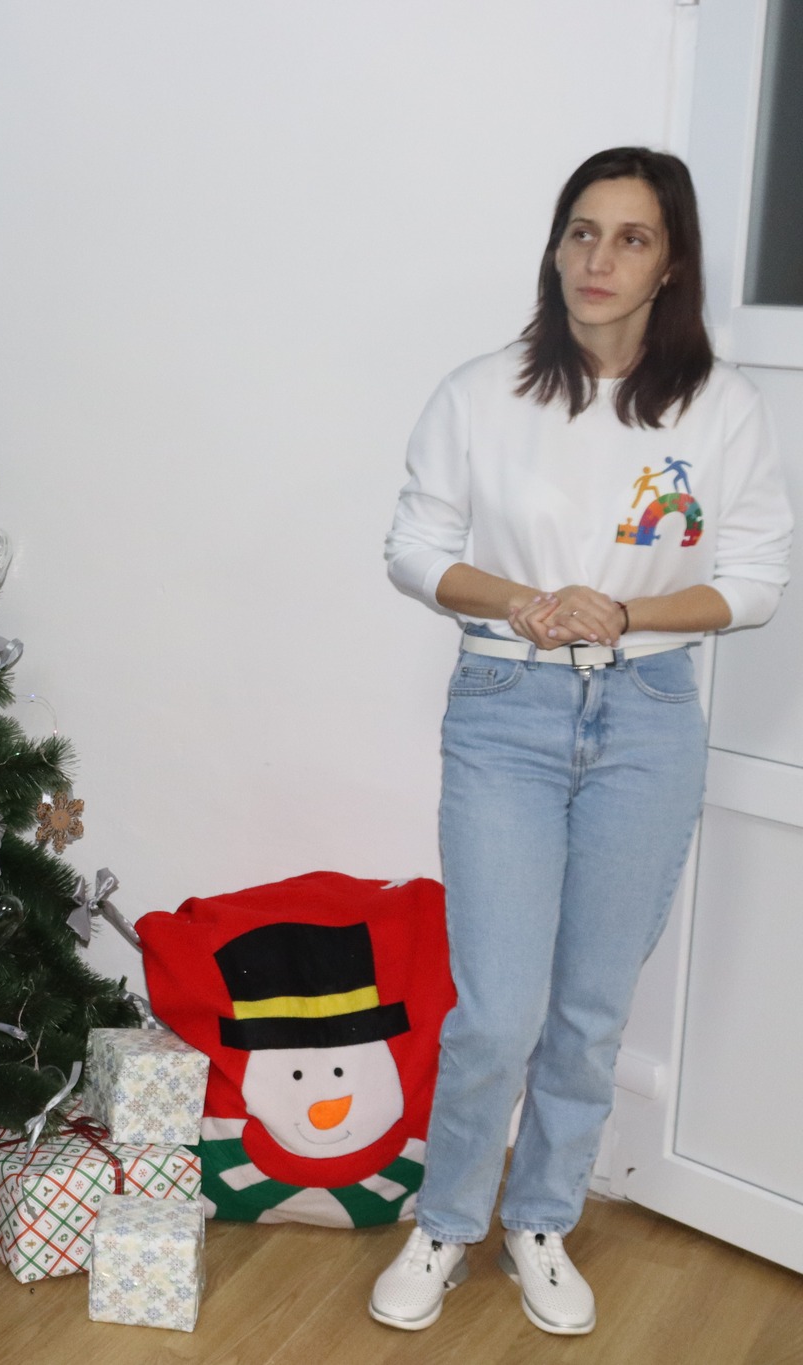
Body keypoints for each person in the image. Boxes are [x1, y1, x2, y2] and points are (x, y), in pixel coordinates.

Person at [375, 147, 791, 1335]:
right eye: (579, 232)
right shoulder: (480, 393)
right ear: (553, 247)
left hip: (646, 715)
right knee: (496, 1010)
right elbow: (412, 551)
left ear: (669, 267)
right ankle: (445, 1222)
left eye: (630, 238)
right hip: (502, 708)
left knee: (590, 1008)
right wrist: (521, 601)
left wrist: (622, 610)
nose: (596, 259)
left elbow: (753, 582)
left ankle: (539, 1221)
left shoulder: (719, 408)